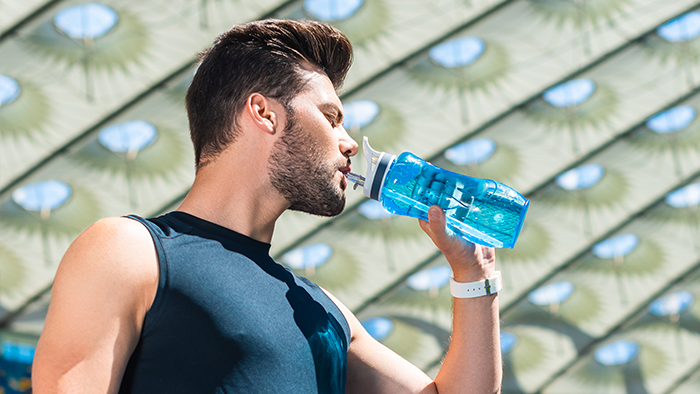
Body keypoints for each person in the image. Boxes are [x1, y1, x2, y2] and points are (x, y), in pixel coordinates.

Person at [32, 19, 502, 394]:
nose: (348, 144)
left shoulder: (322, 309)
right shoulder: (131, 251)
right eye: (331, 116)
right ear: (264, 113)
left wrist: (474, 275)